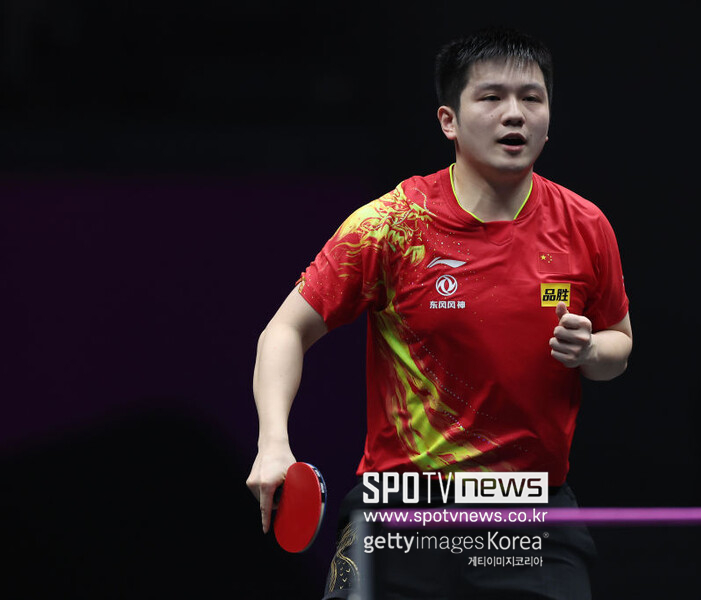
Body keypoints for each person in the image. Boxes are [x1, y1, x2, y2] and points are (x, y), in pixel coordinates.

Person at [246, 26, 633, 599]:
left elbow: (618, 345)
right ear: (448, 120)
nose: (515, 114)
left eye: (532, 98)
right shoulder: (391, 226)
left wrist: (591, 350)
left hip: (529, 511)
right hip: (404, 508)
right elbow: (284, 330)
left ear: (549, 118)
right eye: (491, 96)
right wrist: (273, 443)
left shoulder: (585, 226)